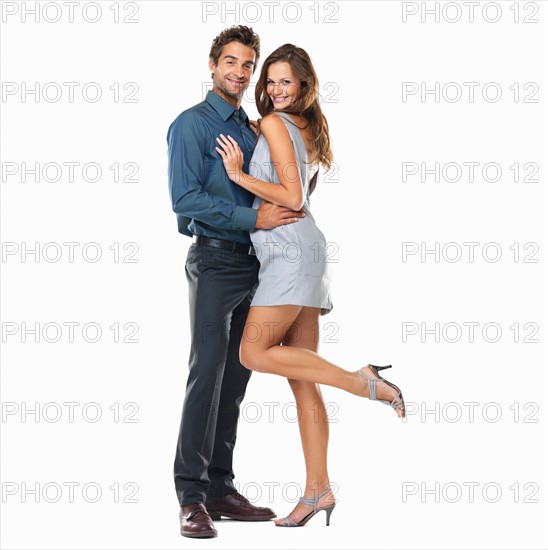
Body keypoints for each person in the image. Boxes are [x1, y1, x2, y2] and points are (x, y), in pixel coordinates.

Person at [215, 43, 406, 528]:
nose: (276, 90)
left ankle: (365, 383)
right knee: (304, 380)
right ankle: (318, 491)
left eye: (286, 82)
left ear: (302, 86)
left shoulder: (279, 125)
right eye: (271, 81)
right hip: (306, 251)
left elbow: (293, 195)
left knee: (251, 353)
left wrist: (238, 173)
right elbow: (296, 182)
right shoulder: (303, 126)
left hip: (288, 254)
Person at [166, 26, 306, 539]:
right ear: (211, 64)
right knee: (206, 375)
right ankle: (191, 496)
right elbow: (185, 203)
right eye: (231, 62)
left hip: (258, 267)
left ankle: (221, 487)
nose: (240, 73)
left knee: (237, 377)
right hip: (216, 262)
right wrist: (253, 221)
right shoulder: (191, 126)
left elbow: (274, 190)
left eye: (248, 66)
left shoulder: (252, 129)